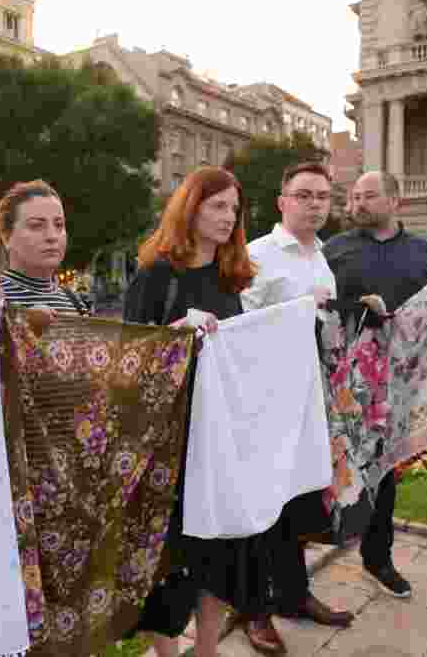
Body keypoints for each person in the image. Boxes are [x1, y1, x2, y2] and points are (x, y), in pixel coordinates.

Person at [123, 167, 283, 656]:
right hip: (170, 445)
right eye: (217, 205)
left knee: (220, 556)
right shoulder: (156, 275)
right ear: (189, 208)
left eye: (234, 209)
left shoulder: (231, 278)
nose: (228, 217)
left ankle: (208, 650)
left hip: (221, 441)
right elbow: (128, 359)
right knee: (169, 560)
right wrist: (175, 334)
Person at [324, 170, 427, 600]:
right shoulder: (333, 250)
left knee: (384, 472)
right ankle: (305, 551)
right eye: (354, 198)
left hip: (400, 382)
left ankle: (376, 558)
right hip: (341, 382)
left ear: (395, 201)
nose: (357, 204)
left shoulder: (425, 254)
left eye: (367, 197)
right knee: (329, 464)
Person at [242, 162, 355, 629]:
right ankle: (253, 608)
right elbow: (239, 325)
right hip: (266, 399)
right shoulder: (257, 254)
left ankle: (293, 594)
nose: (314, 204)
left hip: (311, 398)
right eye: (304, 194)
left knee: (299, 501)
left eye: (323, 196)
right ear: (282, 201)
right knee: (262, 505)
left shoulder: (323, 256)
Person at [0, 180, 90, 316]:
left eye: (59, 225)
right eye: (36, 226)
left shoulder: (75, 302)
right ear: (6, 237)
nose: (52, 236)